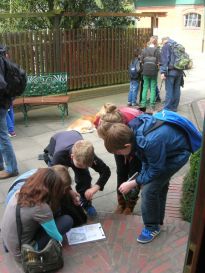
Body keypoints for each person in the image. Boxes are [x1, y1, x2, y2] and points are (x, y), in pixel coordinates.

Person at [102, 113, 192, 244]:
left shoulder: (149, 141)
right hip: (165, 151)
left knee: (148, 190)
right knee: (157, 185)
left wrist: (135, 182)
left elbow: (156, 169)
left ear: (127, 146)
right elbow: (145, 159)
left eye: (118, 152)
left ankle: (151, 227)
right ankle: (158, 220)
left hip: (178, 153)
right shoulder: (133, 134)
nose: (118, 155)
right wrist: (141, 177)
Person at [1, 168, 74, 260]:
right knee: (67, 221)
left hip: (9, 241)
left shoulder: (21, 191)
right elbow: (57, 236)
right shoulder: (41, 207)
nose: (63, 192)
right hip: (24, 252)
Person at [43, 130, 111, 218]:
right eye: (80, 165)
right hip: (57, 142)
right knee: (58, 181)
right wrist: (70, 192)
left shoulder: (89, 156)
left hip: (74, 137)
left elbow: (106, 171)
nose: (83, 167)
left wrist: (95, 188)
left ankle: (85, 203)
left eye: (87, 165)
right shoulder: (58, 156)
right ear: (72, 156)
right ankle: (62, 206)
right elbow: (57, 178)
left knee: (85, 177)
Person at [96, 103, 142, 215]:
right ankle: (121, 203)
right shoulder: (102, 121)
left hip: (134, 146)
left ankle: (130, 205)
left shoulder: (135, 125)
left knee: (133, 173)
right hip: (117, 145)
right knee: (121, 171)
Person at [6, 165, 87, 227]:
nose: (63, 191)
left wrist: (70, 191)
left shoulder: (47, 174)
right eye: (62, 189)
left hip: (20, 221)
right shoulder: (30, 194)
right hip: (22, 228)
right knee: (65, 220)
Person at [0, 45, 18, 179]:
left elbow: (1, 84)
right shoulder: (2, 55)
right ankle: (2, 164)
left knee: (2, 136)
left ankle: (11, 168)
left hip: (1, 102)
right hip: (4, 101)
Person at [160, 37, 183, 111]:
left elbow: (165, 60)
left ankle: (167, 108)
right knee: (177, 89)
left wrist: (162, 72)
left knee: (169, 90)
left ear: (164, 41)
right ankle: (174, 107)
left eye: (162, 42)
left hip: (171, 72)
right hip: (179, 72)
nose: (162, 44)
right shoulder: (177, 45)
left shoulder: (166, 46)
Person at [140, 37, 160, 111]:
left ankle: (143, 104)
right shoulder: (157, 50)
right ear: (155, 43)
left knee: (145, 87)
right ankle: (152, 104)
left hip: (145, 71)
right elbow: (159, 62)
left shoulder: (144, 50)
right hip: (154, 71)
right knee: (153, 87)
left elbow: (141, 60)